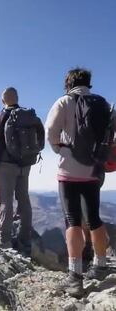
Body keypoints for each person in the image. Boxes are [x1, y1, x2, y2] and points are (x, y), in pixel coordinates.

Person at [46, 68, 112, 296]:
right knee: (94, 217)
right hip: (94, 170)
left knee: (72, 219)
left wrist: (60, 148)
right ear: (88, 83)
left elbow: (51, 133)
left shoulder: (64, 102)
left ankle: (75, 278)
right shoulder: (102, 104)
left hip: (69, 171)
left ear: (69, 83)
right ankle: (101, 265)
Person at [0, 87, 44, 253]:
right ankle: (25, 239)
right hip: (25, 163)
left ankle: (4, 240)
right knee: (24, 199)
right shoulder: (27, 116)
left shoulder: (4, 114)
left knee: (6, 201)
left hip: (6, 164)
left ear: (3, 100)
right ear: (17, 98)